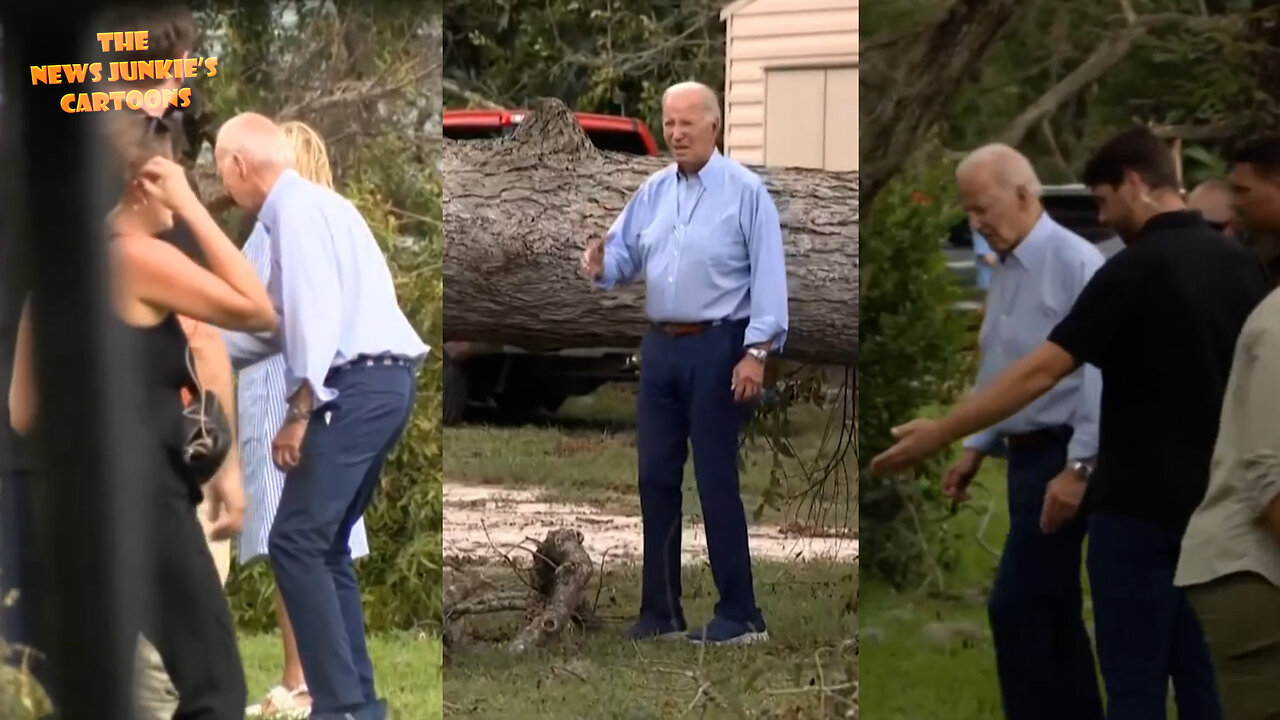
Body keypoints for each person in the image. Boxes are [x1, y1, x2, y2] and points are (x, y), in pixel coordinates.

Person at [870, 125, 1270, 719]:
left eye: (1104, 200)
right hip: (1212, 502)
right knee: (1198, 672)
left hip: (1131, 501)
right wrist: (976, 443)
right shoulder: (1244, 270)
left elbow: (1046, 372)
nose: (1104, 218)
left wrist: (945, 431)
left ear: (1135, 185)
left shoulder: (1124, 271)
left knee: (1130, 679)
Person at [10, 113, 274, 718]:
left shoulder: (56, 276)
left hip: (74, 504)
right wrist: (191, 205)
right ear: (143, 182)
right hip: (147, 500)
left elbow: (24, 413)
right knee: (213, 688)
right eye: (173, 176)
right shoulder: (132, 258)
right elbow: (256, 309)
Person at [216, 112, 428, 720]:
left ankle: (338, 707)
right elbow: (275, 323)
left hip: (354, 387)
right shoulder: (304, 209)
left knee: (295, 540)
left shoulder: (298, 212)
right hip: (382, 384)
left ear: (238, 165)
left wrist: (300, 409)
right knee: (323, 544)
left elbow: (314, 313)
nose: (220, 182)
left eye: (218, 168)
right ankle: (358, 706)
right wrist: (193, 345)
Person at [580, 80, 789, 645]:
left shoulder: (746, 193)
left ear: (714, 127)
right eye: (669, 123)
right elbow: (623, 254)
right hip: (662, 349)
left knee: (715, 479)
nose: (675, 133)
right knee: (654, 477)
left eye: (687, 123)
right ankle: (661, 613)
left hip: (719, 347)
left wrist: (756, 354)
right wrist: (601, 264)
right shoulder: (653, 191)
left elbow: (770, 281)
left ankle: (741, 615)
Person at [944, 144, 1105, 720]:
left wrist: (1079, 466)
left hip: (1065, 453)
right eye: (968, 211)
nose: (976, 223)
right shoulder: (1006, 268)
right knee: (1052, 606)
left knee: (1015, 605)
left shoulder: (1076, 262)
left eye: (983, 208)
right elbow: (999, 365)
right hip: (1024, 455)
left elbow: (1100, 373)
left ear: (1024, 194)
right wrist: (974, 446)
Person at [238, 120, 372, 718]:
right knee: (311, 546)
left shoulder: (285, 228)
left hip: (283, 398)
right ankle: (330, 681)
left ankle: (302, 680)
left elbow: (256, 312)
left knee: (293, 542)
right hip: (304, 395)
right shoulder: (326, 220)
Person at [1176, 134, 1280, 720]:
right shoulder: (1278, 323)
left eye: (1244, 189)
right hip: (1255, 576)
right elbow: (1272, 480)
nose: (1233, 205)